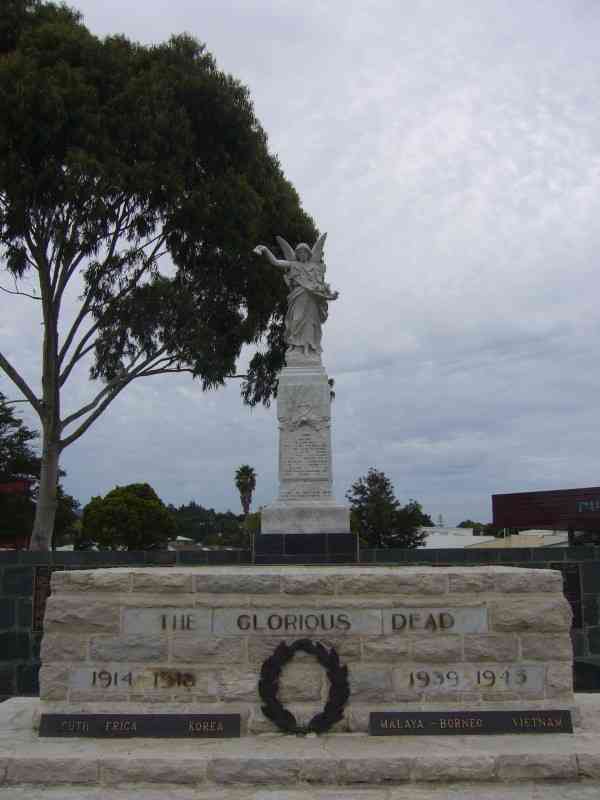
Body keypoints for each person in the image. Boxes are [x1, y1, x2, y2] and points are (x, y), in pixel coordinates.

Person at [253, 234, 339, 357]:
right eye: (300, 252)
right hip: (298, 297)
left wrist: (331, 296)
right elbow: (276, 262)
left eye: (304, 252)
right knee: (296, 321)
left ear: (308, 253)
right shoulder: (293, 265)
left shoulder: (314, 267)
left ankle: (308, 348)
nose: (302, 255)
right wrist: (265, 249)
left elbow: (320, 287)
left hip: (311, 299)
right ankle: (294, 346)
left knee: (310, 323)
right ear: (297, 254)